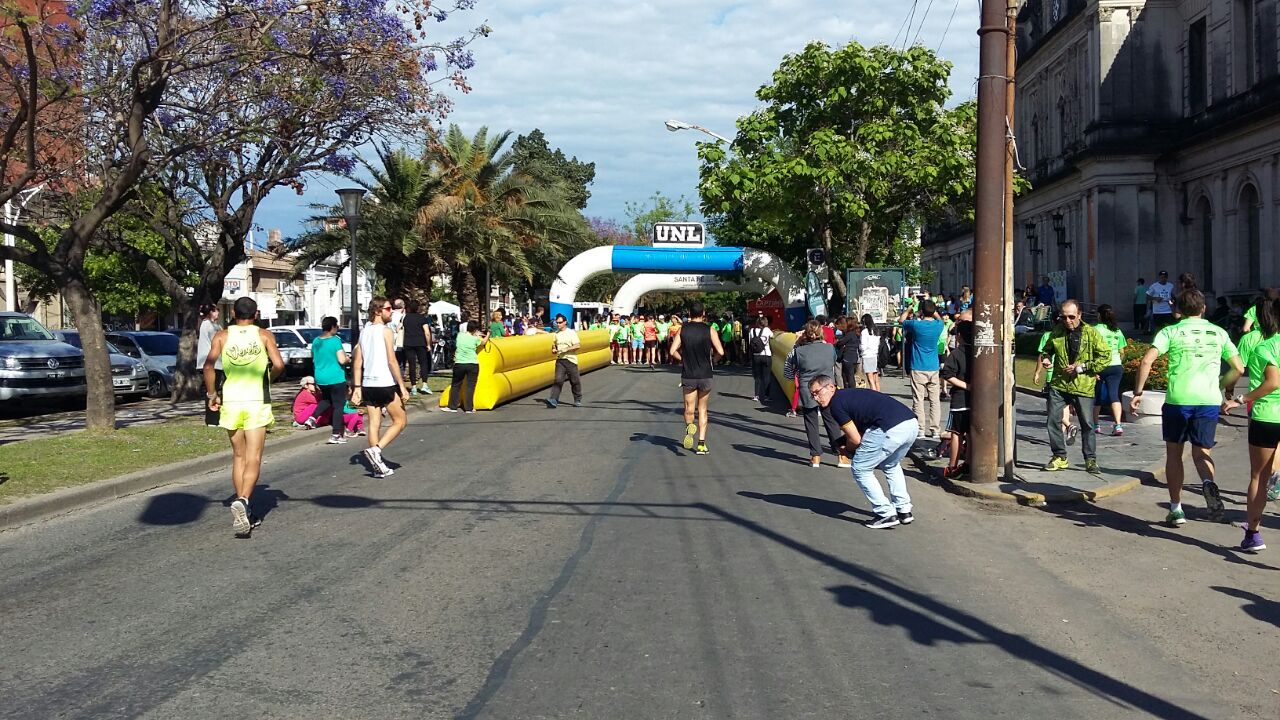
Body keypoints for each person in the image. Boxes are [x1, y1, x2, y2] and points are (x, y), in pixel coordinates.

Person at [1130, 288, 1243, 526]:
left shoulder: (1171, 331)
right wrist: (1220, 385)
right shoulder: (1218, 332)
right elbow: (1239, 368)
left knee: (1174, 454)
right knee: (1203, 453)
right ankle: (1207, 484)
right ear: (1203, 308)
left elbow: (1147, 360)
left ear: (1178, 310)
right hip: (1208, 400)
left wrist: (1138, 392)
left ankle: (1176, 508)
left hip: (1178, 400)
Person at [203, 296, 285, 537]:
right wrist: (268, 378)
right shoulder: (264, 335)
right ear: (256, 314)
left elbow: (209, 366)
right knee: (254, 457)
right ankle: (244, 501)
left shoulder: (222, 336)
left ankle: (244, 508)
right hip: (256, 401)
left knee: (238, 456)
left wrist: (211, 394)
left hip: (231, 400)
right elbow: (279, 364)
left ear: (233, 314)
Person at [809, 376, 917, 528]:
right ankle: (904, 510)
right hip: (910, 423)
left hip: (888, 428)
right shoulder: (850, 395)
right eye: (812, 395)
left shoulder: (836, 404)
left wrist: (846, 450)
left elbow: (855, 439)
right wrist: (842, 442)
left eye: (817, 392)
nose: (815, 398)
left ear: (831, 387)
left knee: (860, 468)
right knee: (891, 465)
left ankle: (886, 513)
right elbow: (861, 428)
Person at [1221, 296, 1280, 552]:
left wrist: (1241, 399)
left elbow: (1272, 383)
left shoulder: (1264, 348)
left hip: (1267, 416)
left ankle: (1253, 534)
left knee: (1259, 476)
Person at [1039, 299, 1111, 474]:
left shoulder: (1091, 333)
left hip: (1083, 386)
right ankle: (1059, 456)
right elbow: (1046, 349)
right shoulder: (1057, 331)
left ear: (1079, 315)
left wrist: (1082, 367)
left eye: (1071, 317)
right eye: (1063, 317)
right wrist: (1046, 358)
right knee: (1052, 421)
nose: (1067, 321)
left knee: (1087, 424)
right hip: (1059, 384)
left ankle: (1090, 460)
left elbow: (1106, 356)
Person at [352, 296, 410, 478]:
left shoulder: (364, 332)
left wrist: (357, 386)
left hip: (369, 383)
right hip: (384, 383)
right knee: (400, 421)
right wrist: (402, 386)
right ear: (377, 311)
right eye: (387, 309)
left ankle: (377, 466)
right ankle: (377, 450)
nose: (390, 311)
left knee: (374, 423)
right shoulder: (385, 331)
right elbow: (392, 361)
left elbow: (357, 362)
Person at [785, 320, 848, 468]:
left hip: (808, 389)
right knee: (831, 421)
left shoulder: (797, 351)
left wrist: (797, 343)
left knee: (811, 422)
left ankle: (815, 457)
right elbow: (833, 361)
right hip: (827, 388)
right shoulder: (830, 349)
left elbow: (787, 372)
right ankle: (841, 455)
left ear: (804, 334)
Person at [670, 301, 724, 455]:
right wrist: (713, 361)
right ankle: (701, 444)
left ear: (689, 313)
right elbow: (720, 351)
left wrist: (682, 360)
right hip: (706, 374)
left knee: (688, 408)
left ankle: (689, 429)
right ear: (703, 313)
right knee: (702, 409)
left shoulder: (683, 329)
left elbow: (672, 350)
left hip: (689, 374)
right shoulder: (710, 330)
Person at [899, 299, 946, 439]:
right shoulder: (939, 325)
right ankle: (935, 429)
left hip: (918, 366)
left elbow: (901, 320)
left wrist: (908, 309)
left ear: (921, 311)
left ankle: (920, 429)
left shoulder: (916, 325)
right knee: (934, 400)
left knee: (918, 399)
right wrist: (933, 310)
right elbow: (939, 318)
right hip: (933, 366)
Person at [939, 319, 974, 478]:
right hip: (975, 401)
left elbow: (947, 374)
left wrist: (965, 385)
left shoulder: (956, 353)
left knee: (956, 433)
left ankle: (952, 465)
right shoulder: (977, 353)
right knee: (971, 433)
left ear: (959, 336)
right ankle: (968, 463)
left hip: (960, 400)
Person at [307, 316, 350, 443]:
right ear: (332, 327)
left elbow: (313, 358)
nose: (337, 329)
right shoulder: (335, 341)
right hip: (335, 376)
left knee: (327, 399)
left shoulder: (316, 341)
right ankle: (336, 434)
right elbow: (342, 359)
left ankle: (312, 418)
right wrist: (348, 358)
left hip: (321, 376)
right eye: (336, 326)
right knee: (338, 405)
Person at [1091, 304, 1128, 436]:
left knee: (1097, 396)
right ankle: (1118, 425)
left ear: (1099, 315)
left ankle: (1095, 425)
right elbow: (1122, 351)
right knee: (1114, 395)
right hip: (1116, 365)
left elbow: (1090, 350)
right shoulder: (1116, 330)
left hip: (1100, 365)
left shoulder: (1094, 330)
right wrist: (1118, 361)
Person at [443, 322, 489, 413]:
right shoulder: (476, 339)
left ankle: (452, 406)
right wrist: (487, 334)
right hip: (472, 364)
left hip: (459, 363)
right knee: (470, 386)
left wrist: (474, 333)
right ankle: (469, 408)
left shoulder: (460, 336)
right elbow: (484, 342)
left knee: (456, 385)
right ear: (476, 330)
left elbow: (466, 335)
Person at [546, 313, 583, 408]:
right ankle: (554, 399)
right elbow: (554, 345)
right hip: (560, 360)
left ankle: (577, 398)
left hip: (570, 360)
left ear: (565, 322)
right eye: (557, 322)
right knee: (558, 380)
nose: (558, 324)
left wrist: (567, 349)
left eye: (560, 322)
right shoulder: (556, 334)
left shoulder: (571, 333)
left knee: (575, 381)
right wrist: (554, 349)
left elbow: (577, 345)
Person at [197, 302, 222, 427]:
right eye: (216, 310)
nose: (218, 312)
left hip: (217, 362)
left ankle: (216, 417)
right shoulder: (208, 325)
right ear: (210, 312)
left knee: (216, 389)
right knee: (211, 391)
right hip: (211, 362)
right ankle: (212, 419)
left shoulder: (214, 325)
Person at [400, 300, 432, 396]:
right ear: (418, 308)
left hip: (408, 343)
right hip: (420, 343)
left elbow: (400, 328)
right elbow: (426, 332)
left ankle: (413, 386)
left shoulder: (405, 318)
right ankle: (425, 384)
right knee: (423, 363)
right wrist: (428, 344)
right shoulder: (421, 318)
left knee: (411, 364)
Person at [748, 315, 774, 403]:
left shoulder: (752, 331)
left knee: (757, 376)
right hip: (766, 355)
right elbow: (773, 336)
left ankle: (756, 395)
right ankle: (767, 396)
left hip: (756, 356)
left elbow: (749, 342)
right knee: (767, 376)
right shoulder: (767, 330)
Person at [835, 315, 861, 390]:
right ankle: (851, 390)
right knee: (850, 375)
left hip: (848, 357)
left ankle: (851, 391)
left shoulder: (850, 334)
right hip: (854, 357)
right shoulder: (855, 334)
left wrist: (837, 342)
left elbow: (840, 343)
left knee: (848, 377)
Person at [859, 314, 882, 392]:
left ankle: (874, 395)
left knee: (870, 379)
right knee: (876, 378)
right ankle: (879, 394)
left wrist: (860, 349)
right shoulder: (876, 330)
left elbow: (863, 345)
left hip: (867, 355)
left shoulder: (865, 332)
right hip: (875, 355)